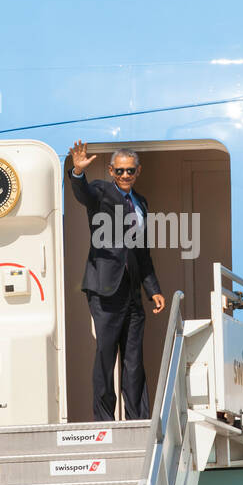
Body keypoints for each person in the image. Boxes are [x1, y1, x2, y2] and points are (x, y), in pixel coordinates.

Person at [68, 141, 167, 421]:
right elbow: (82, 193)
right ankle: (105, 419)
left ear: (138, 171)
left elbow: (142, 252)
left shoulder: (141, 203)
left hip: (133, 292)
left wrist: (153, 290)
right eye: (120, 171)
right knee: (106, 355)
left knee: (134, 360)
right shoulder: (101, 191)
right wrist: (77, 171)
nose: (125, 176)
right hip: (105, 288)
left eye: (130, 171)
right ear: (111, 170)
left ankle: (138, 419)